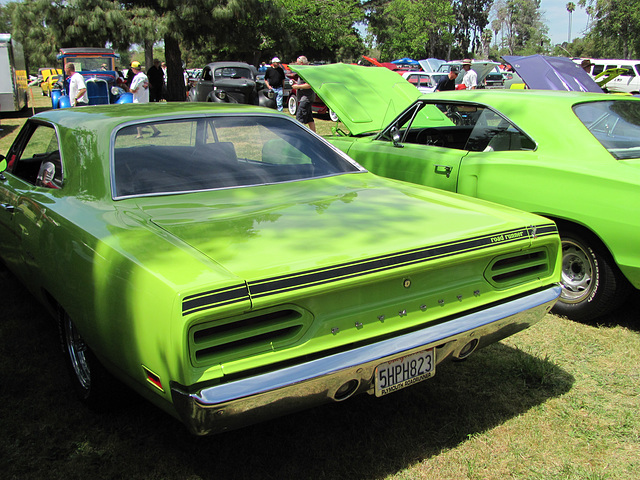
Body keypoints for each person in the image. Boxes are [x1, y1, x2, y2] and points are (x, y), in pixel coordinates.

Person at [129, 61, 160, 138]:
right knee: (144, 117)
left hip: (138, 100)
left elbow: (132, 89)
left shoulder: (137, 77)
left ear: (134, 69)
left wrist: (132, 90)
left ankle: (140, 134)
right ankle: (155, 130)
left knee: (138, 118)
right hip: (145, 99)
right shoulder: (144, 76)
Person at [291, 55, 316, 132]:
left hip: (305, 99)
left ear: (301, 63)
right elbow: (303, 83)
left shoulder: (307, 71)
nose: (297, 65)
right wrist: (296, 83)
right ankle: (315, 136)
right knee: (309, 119)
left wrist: (297, 86)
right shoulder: (303, 71)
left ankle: (299, 136)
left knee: (299, 119)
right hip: (306, 99)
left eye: (298, 63)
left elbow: (309, 85)